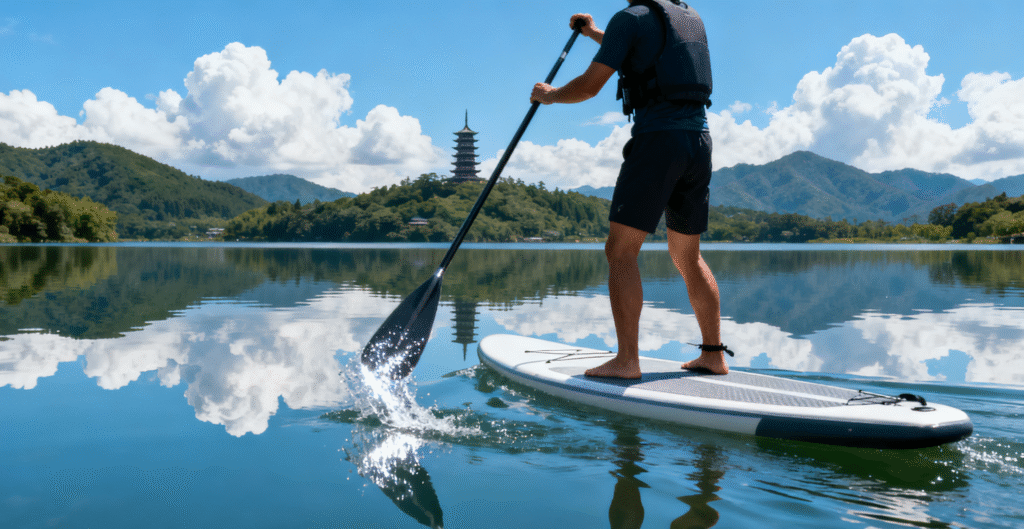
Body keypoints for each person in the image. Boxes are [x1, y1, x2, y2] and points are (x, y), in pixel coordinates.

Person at [530, 0, 730, 379]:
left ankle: (627, 361)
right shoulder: (689, 18)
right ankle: (713, 355)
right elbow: (641, 49)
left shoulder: (628, 19)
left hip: (658, 142)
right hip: (698, 143)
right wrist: (592, 33)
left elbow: (589, 87)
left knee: (620, 251)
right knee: (687, 256)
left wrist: (549, 95)